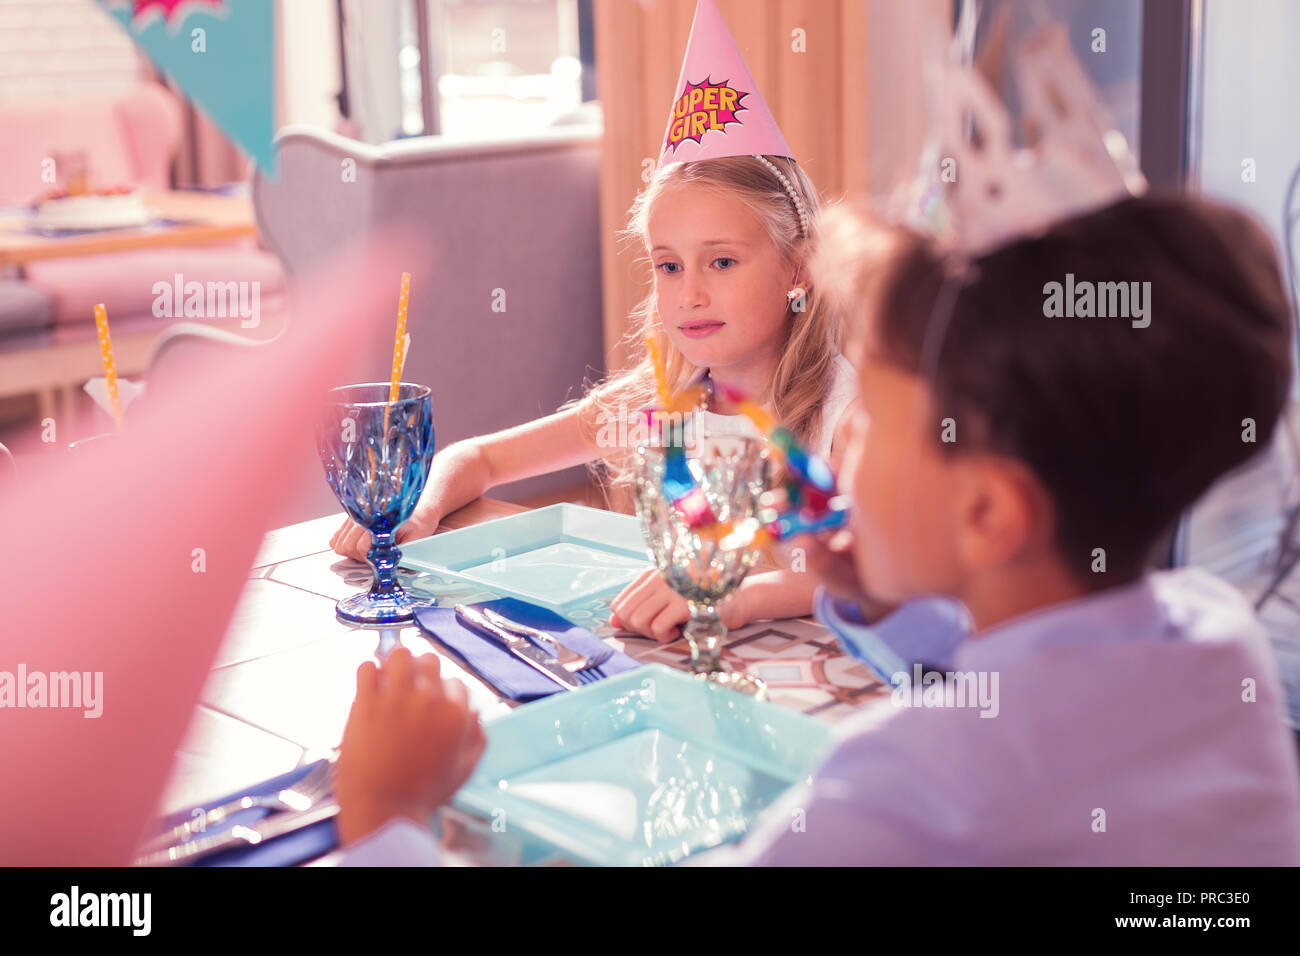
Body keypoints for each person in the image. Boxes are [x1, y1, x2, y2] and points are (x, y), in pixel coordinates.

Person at [334, 193, 1300, 866]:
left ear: (988, 513)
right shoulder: (1218, 635)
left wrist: (385, 819)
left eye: (871, 417)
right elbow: (1030, 672)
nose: (849, 445)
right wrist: (873, 588)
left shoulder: (911, 783)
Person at [328, 0, 859, 642]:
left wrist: (735, 591)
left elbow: (881, 576)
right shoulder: (658, 401)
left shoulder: (845, 416)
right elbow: (479, 460)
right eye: (668, 266)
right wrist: (419, 507)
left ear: (799, 271)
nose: (688, 294)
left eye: (721, 261)